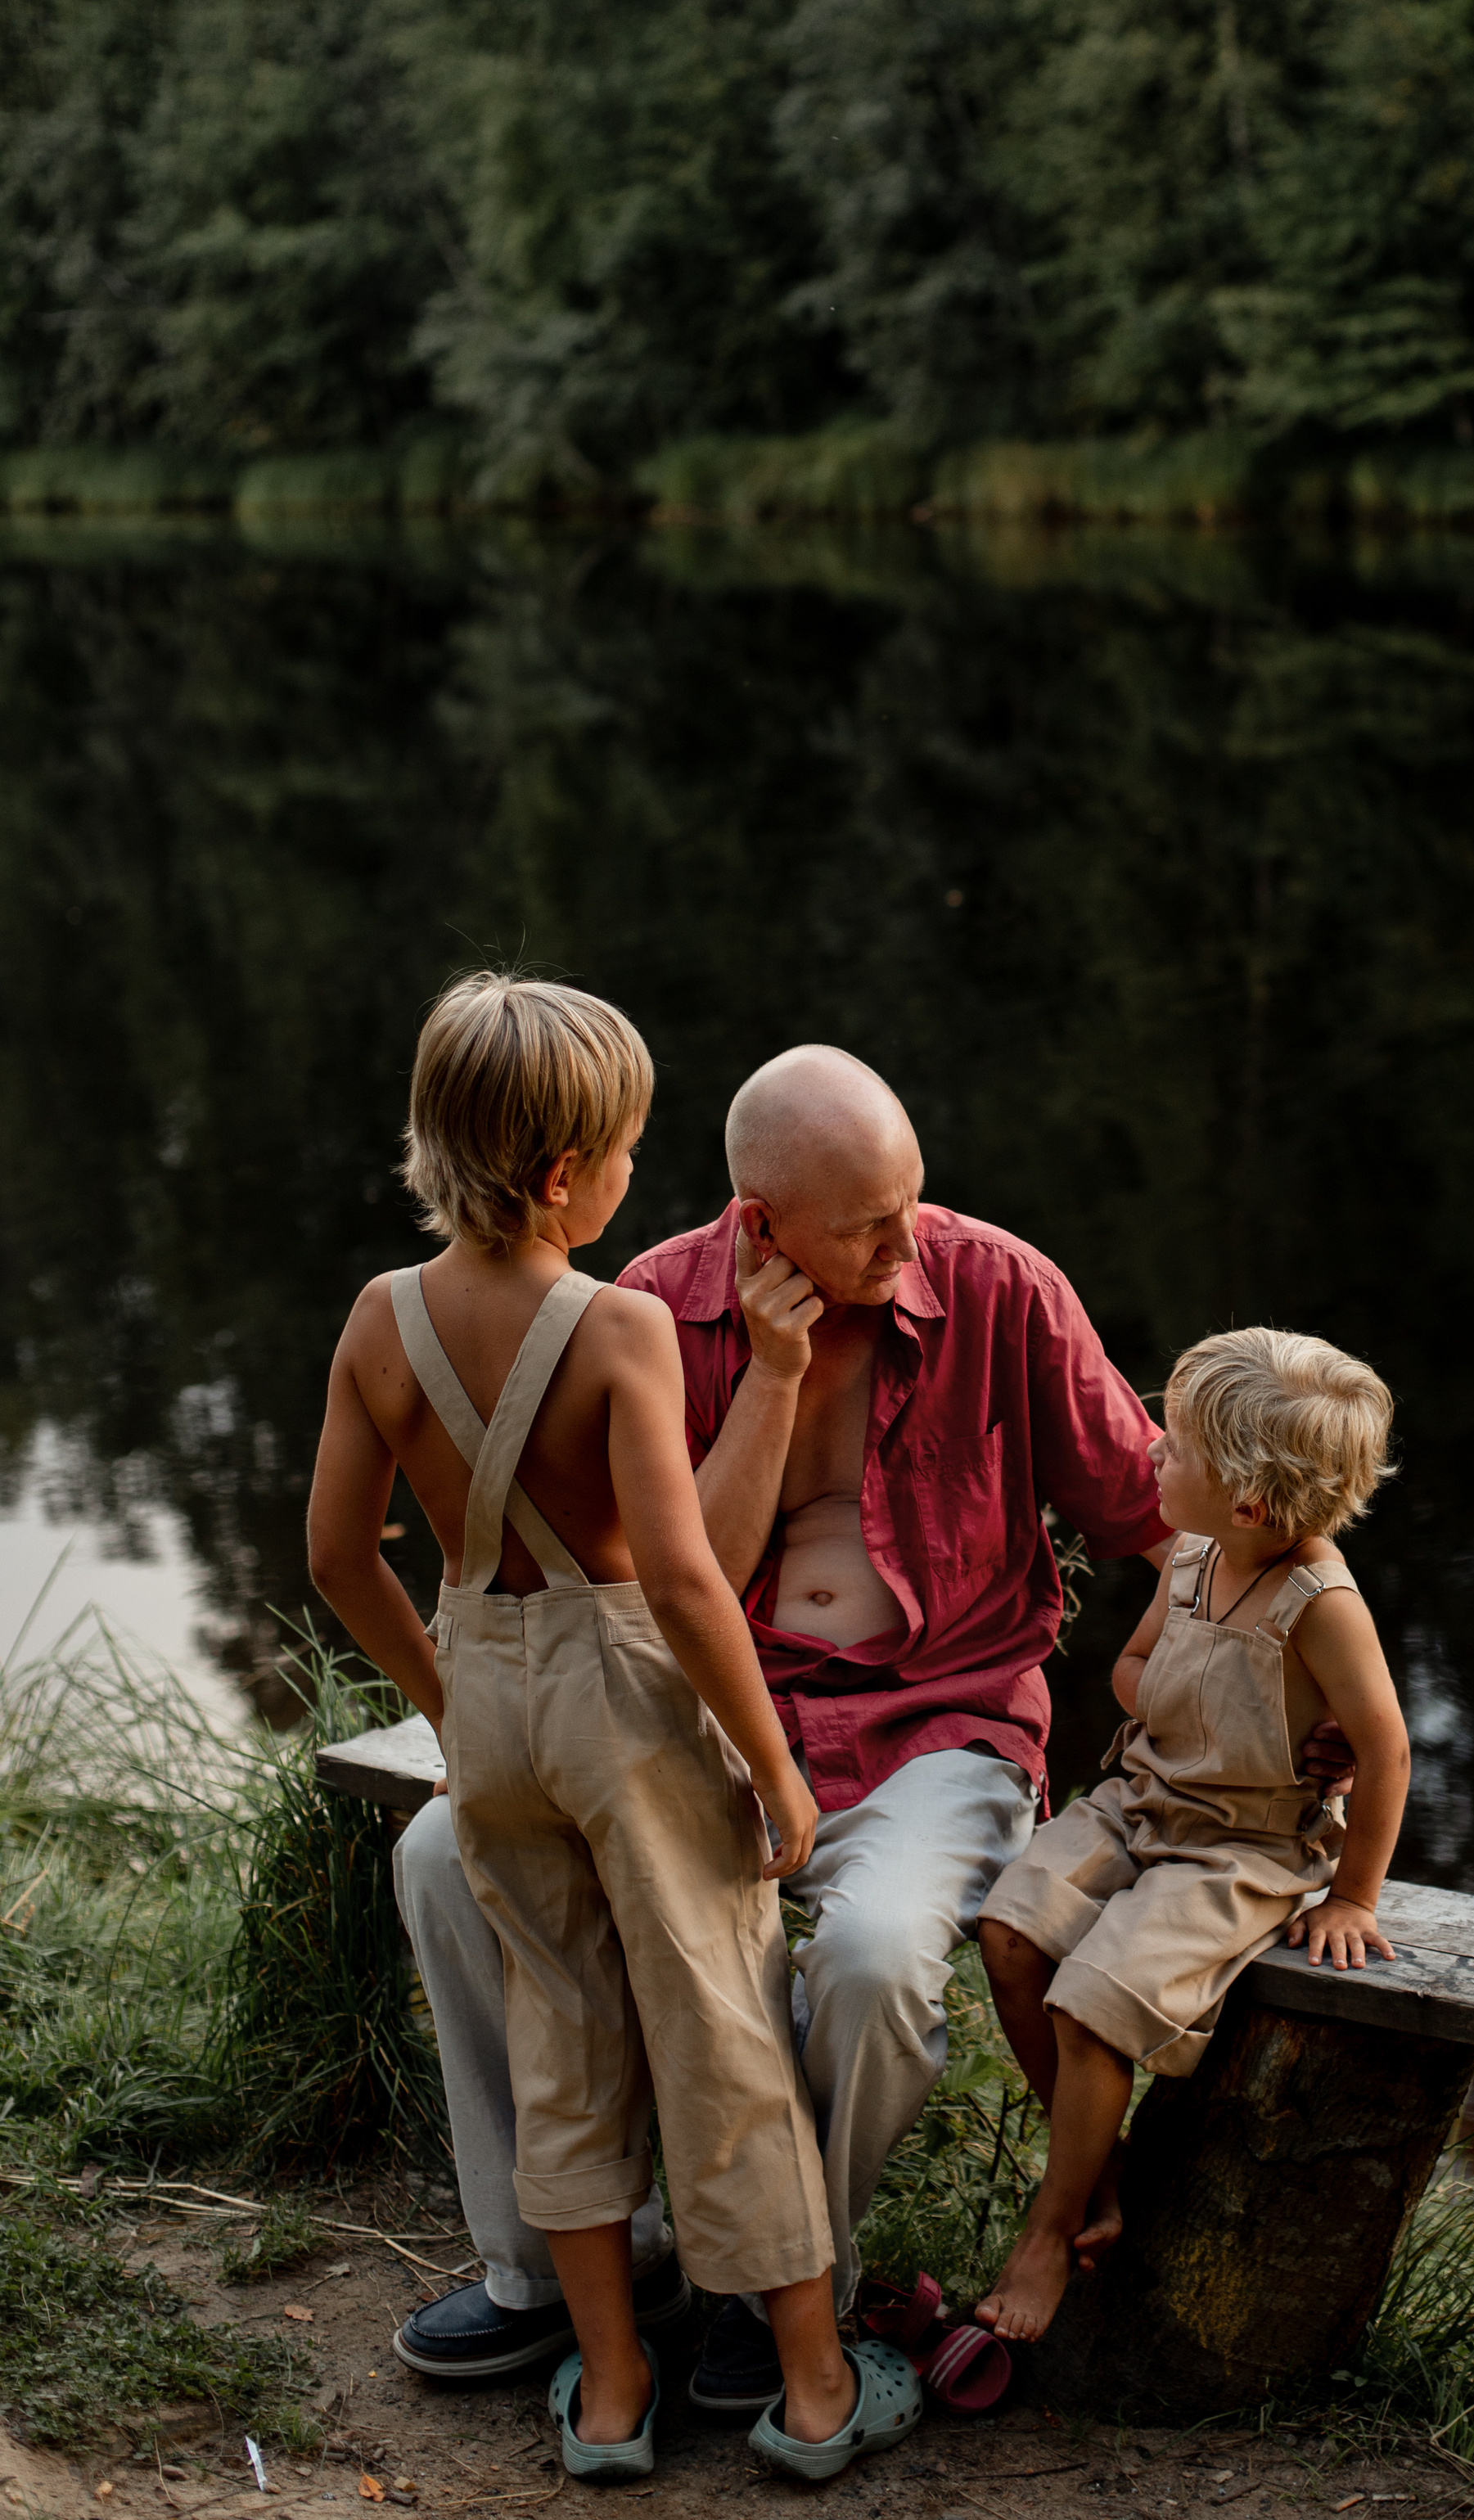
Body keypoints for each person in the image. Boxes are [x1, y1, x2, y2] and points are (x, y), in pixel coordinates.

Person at [389, 1040, 1183, 2412]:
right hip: (709, 1720)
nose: (908, 1237)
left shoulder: (1001, 1285)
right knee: (438, 1856)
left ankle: (769, 2283)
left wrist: (1255, 1701)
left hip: (946, 1725)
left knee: (873, 1961)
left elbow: (1170, 1522)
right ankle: (563, 2269)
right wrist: (767, 1371)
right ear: (762, 1224)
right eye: (872, 1221)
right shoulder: (650, 1309)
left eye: (913, 1198)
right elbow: (672, 1574)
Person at [307, 977, 921, 2482]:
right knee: (717, 2028)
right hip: (628, 1710)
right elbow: (689, 1581)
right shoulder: (620, 1327)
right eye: (632, 1149)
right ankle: (817, 2379)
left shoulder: (381, 1320)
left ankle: (606, 2389)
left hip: (495, 1701)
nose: (641, 1177)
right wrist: (773, 1762)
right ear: (567, 1172)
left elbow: (336, 1557)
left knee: (562, 2038)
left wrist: (454, 1700)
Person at [971, 1325, 1411, 2343]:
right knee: (1008, 1934)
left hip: (1244, 1845)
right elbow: (1132, 1671)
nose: (1150, 1457)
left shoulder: (1321, 1604)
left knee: (1092, 2004)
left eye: (1172, 1448)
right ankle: (1103, 2166)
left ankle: (1050, 2225)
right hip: (1140, 1799)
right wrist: (1178, 1693)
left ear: (1251, 1499)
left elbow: (1385, 1754)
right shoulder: (1192, 1557)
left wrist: (1352, 1894)